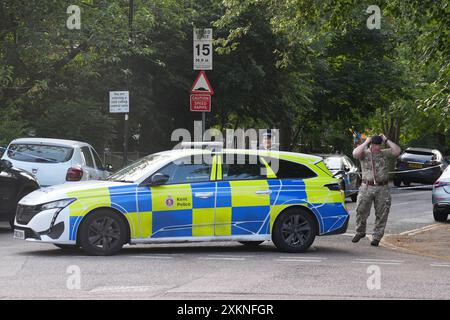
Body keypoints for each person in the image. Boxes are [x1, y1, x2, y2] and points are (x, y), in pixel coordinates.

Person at [352, 134, 401, 246]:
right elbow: (355, 154)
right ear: (371, 144)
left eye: (379, 145)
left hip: (382, 187)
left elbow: (397, 151)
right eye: (375, 145)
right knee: (361, 210)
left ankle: (377, 237)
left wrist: (386, 139)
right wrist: (365, 142)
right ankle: (360, 232)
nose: (377, 148)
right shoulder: (364, 153)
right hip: (366, 186)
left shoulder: (385, 153)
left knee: (382, 213)